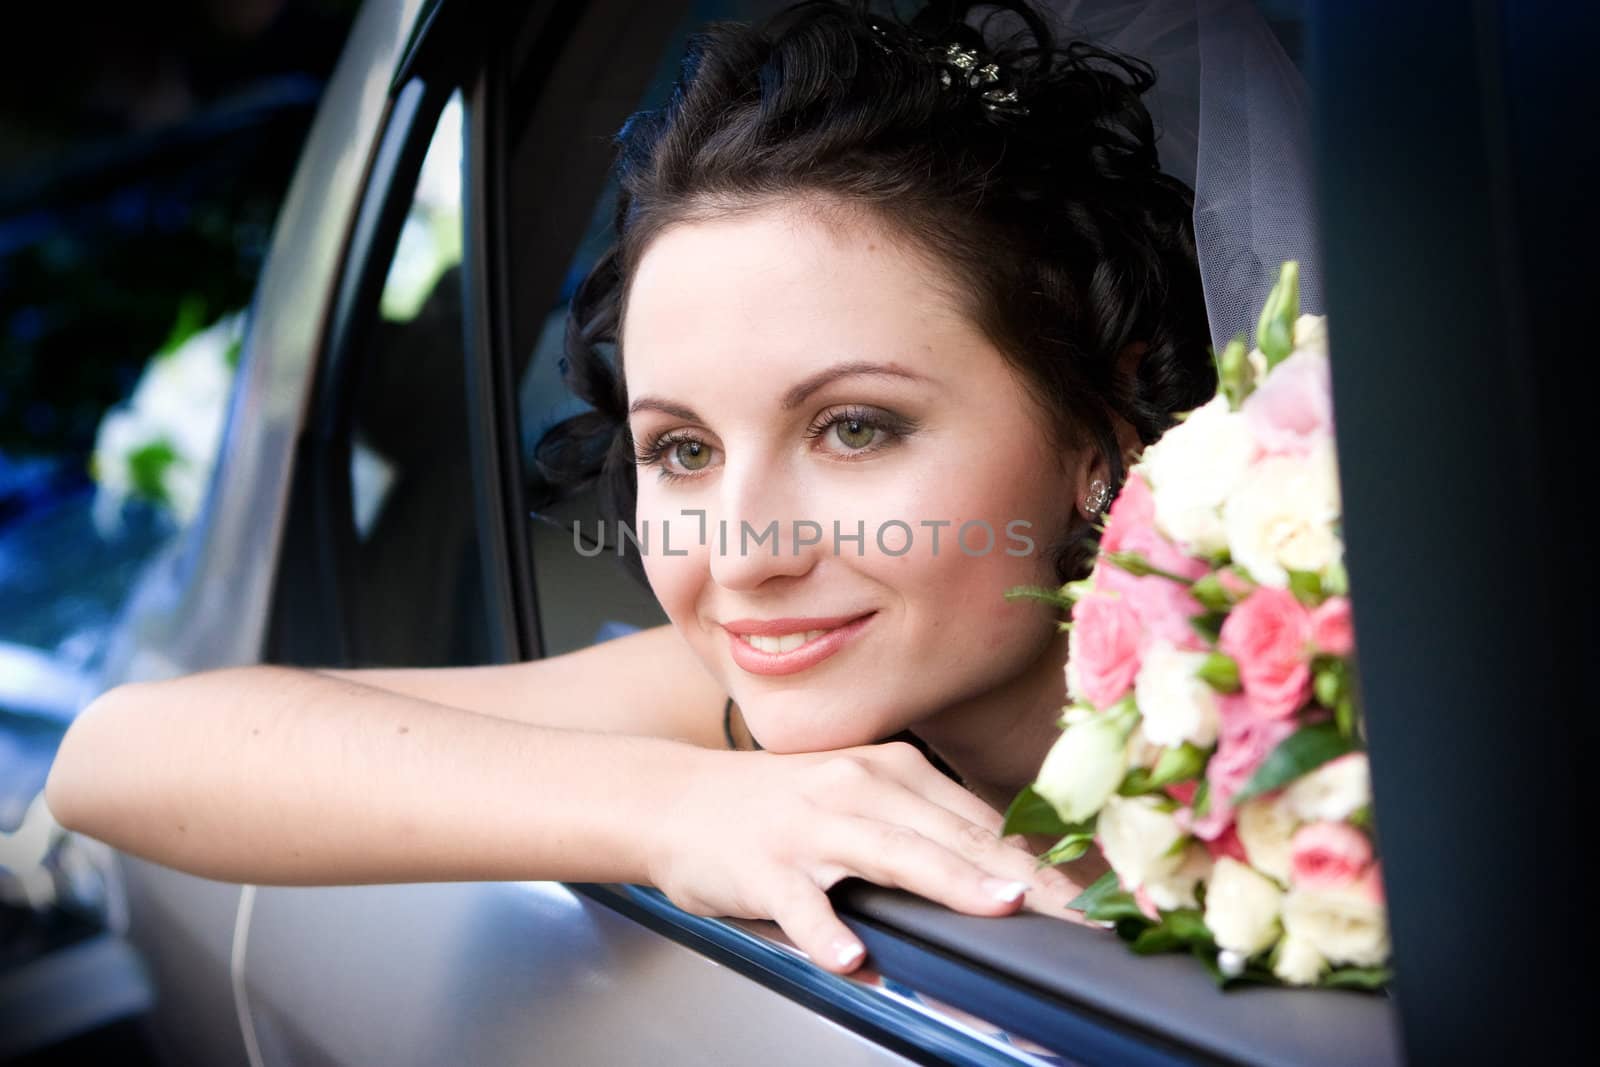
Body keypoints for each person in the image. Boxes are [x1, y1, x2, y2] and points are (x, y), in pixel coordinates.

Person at [43, 0, 1214, 976]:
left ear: (1100, 431)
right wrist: (674, 808)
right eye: (683, 450)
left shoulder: (1320, 689)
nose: (744, 553)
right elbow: (119, 751)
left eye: (854, 427)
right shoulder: (736, 710)